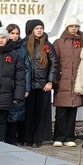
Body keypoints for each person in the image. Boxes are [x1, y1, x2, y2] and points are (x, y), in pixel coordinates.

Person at [22, 19, 58, 147]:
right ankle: (26, 137)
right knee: (28, 113)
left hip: (43, 86)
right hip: (28, 85)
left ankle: (37, 139)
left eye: (41, 28)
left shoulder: (47, 45)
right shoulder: (24, 44)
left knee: (40, 113)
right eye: (36, 28)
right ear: (31, 30)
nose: (39, 30)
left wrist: (50, 81)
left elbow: (54, 64)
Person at [52, 17, 83, 147]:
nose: (74, 28)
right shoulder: (59, 42)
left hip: (76, 80)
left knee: (72, 110)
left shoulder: (82, 42)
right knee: (61, 111)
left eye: (76, 26)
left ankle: (69, 137)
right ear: (67, 27)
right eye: (71, 26)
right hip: (62, 80)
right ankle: (59, 137)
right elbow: (54, 62)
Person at [5, 24, 32, 146]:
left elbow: (27, 69)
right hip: (6, 85)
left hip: (18, 85)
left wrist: (26, 88)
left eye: (17, 33)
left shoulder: (22, 49)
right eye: (12, 33)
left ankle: (13, 138)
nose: (15, 36)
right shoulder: (3, 47)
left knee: (16, 113)